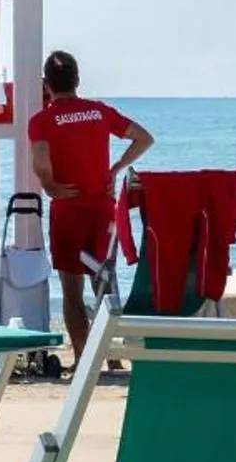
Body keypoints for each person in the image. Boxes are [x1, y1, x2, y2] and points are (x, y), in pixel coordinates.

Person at [26, 50, 152, 365]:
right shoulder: (98, 111)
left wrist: (50, 186)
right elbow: (144, 138)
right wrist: (116, 168)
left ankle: (84, 362)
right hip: (102, 209)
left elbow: (41, 163)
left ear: (46, 85)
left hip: (68, 211)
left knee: (72, 290)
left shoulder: (42, 121)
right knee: (104, 282)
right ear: (78, 80)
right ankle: (112, 360)